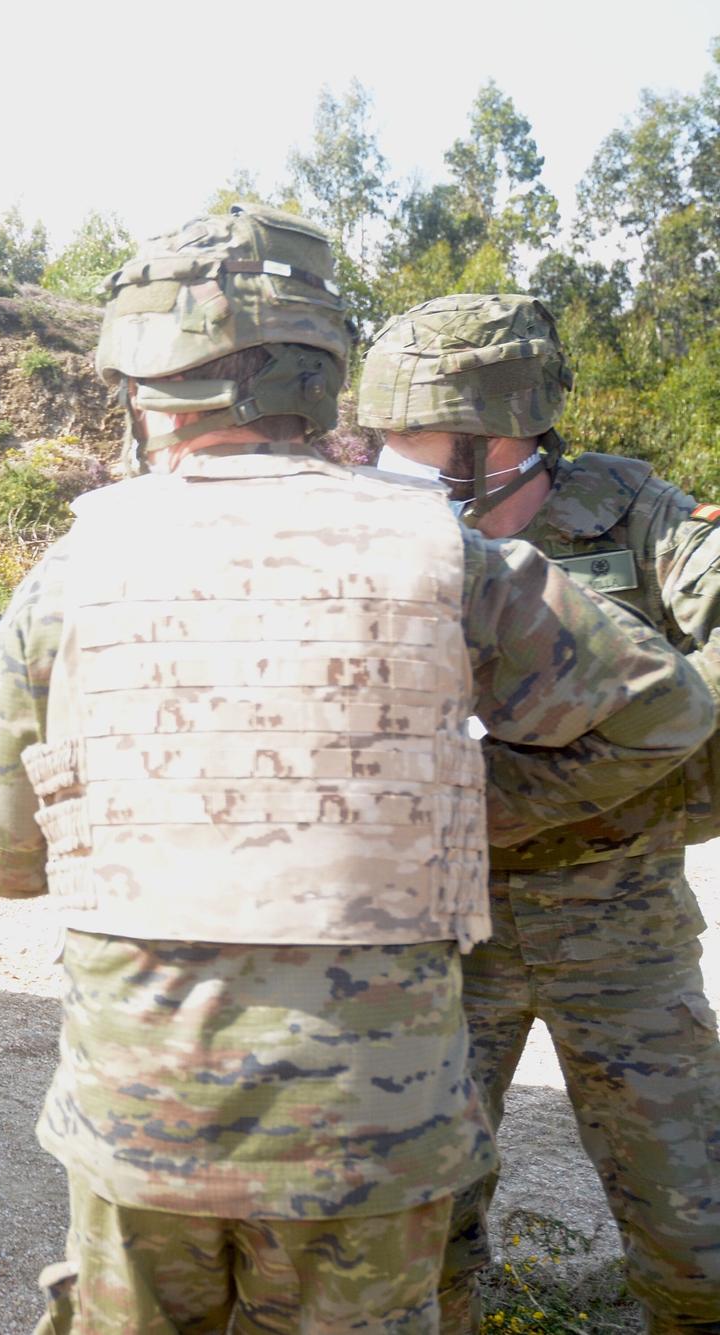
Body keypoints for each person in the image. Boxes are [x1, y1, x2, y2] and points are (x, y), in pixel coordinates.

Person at [0, 205, 717, 1333]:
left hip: (172, 1095)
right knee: (428, 1245)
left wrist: (453, 803)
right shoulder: (446, 555)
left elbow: (4, 856)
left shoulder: (82, 563)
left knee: (680, 1193)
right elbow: (658, 708)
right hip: (409, 1028)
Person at [358, 293, 720, 1335]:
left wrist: (564, 784)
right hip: (435, 934)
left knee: (691, 1221)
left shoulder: (637, 517)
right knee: (412, 1228)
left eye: (425, 451)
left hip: (618, 925)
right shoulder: (359, 530)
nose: (405, 470)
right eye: (392, 446)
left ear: (505, 434)